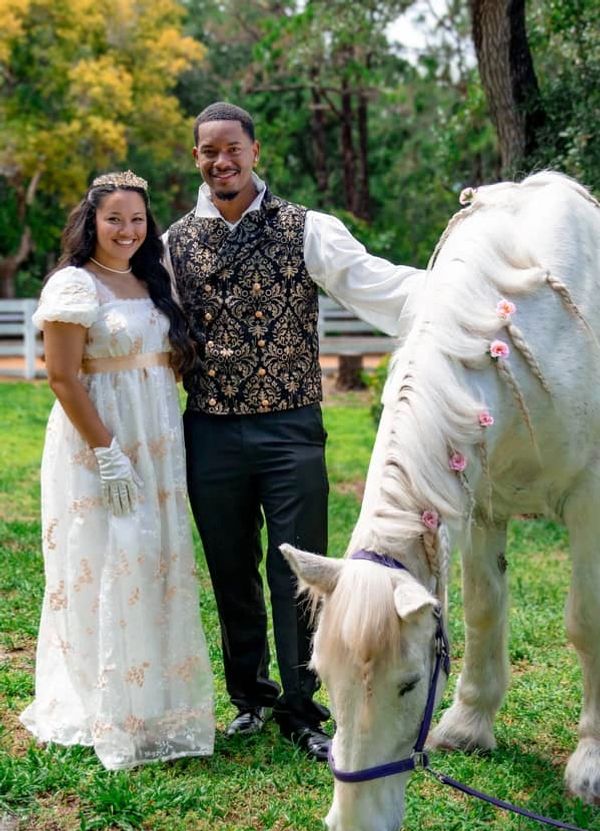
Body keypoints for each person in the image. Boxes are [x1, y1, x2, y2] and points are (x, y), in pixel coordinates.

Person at [163, 102, 424, 761]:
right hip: (210, 431)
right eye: (208, 151)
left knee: (303, 574)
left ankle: (303, 709)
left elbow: (375, 284)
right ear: (196, 159)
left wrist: (456, 295)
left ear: (254, 152)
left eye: (232, 149)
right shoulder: (171, 243)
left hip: (290, 430)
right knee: (230, 569)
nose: (221, 161)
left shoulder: (307, 229)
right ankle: (251, 697)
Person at [20, 171, 215, 771]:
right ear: (92, 222)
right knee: (108, 555)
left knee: (152, 559)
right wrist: (107, 452)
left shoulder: (151, 280)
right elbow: (62, 377)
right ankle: (105, 703)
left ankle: (150, 697)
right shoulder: (74, 286)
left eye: (137, 220)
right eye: (114, 220)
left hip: (156, 438)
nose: (127, 231)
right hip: (99, 439)